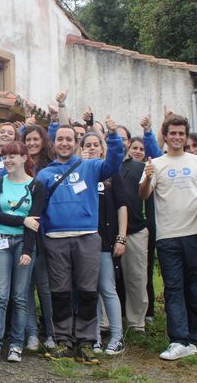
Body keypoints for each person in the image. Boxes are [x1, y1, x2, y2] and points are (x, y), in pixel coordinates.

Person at [37, 117, 123, 364]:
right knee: (60, 293)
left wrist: (114, 135)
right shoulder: (44, 174)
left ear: (77, 143)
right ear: (54, 143)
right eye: (60, 139)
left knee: (87, 291)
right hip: (56, 239)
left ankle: (85, 341)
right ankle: (63, 340)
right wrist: (44, 234)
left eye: (69, 139)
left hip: (86, 237)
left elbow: (115, 163)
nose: (64, 143)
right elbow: (38, 209)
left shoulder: (92, 166)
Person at [0, 141, 45, 365]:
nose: (7, 160)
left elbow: (34, 224)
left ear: (24, 158)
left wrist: (28, 250)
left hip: (23, 244)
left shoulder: (36, 186)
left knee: (19, 297)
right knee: (0, 296)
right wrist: (22, 220)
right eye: (5, 157)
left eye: (13, 156)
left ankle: (16, 345)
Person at [139, 114, 197, 360]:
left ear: (186, 136)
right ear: (165, 135)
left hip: (194, 234)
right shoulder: (156, 163)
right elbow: (143, 195)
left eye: (181, 133)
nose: (177, 137)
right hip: (167, 237)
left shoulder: (195, 161)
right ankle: (179, 340)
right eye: (172, 133)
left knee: (194, 288)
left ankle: (193, 340)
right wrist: (149, 176)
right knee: (173, 288)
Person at [80, 132, 127, 356]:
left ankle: (117, 337)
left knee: (107, 289)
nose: (91, 148)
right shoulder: (79, 173)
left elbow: (122, 206)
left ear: (102, 148)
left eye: (95, 144)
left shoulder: (112, 174)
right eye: (87, 145)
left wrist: (121, 237)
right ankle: (95, 336)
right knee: (90, 291)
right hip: (83, 242)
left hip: (105, 243)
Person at [22, 125, 56, 351]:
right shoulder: (18, 167)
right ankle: (32, 334)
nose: (32, 143)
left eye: (36, 139)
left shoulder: (49, 168)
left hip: (44, 235)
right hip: (22, 234)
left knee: (44, 287)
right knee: (26, 288)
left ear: (43, 141)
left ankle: (52, 333)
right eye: (28, 140)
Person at [116, 127, 151, 333]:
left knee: (136, 277)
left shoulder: (139, 167)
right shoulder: (103, 166)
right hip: (107, 232)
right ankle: (105, 322)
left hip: (136, 229)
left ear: (128, 142)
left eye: (122, 138)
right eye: (114, 138)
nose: (119, 142)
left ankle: (137, 322)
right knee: (106, 280)